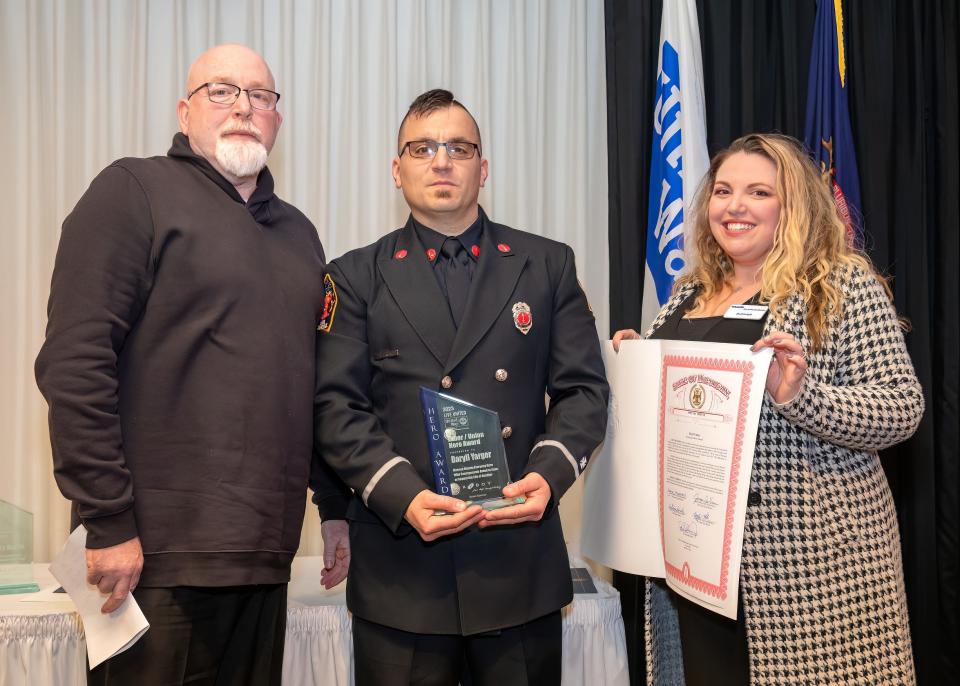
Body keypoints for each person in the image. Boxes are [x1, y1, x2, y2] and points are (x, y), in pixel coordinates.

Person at [35, 44, 350, 685]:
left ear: (277, 122)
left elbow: (307, 384)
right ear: (186, 111)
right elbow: (74, 362)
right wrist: (109, 520)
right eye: (221, 91)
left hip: (264, 556)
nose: (243, 107)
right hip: (151, 560)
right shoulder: (132, 191)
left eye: (260, 96)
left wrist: (334, 504)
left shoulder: (300, 236)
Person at [311, 89, 609, 685]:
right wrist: (401, 494)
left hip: (516, 562)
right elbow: (335, 407)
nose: (441, 162)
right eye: (422, 148)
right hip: (402, 568)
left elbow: (583, 392)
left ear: (484, 167)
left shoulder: (546, 265)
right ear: (397, 170)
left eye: (459, 148)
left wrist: (547, 477)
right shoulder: (353, 275)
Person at [613, 133, 923, 685]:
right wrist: (639, 369)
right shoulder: (687, 292)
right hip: (697, 553)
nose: (735, 207)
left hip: (812, 565)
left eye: (758, 192)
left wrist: (798, 395)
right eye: (724, 190)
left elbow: (902, 408)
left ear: (793, 205)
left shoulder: (840, 285)